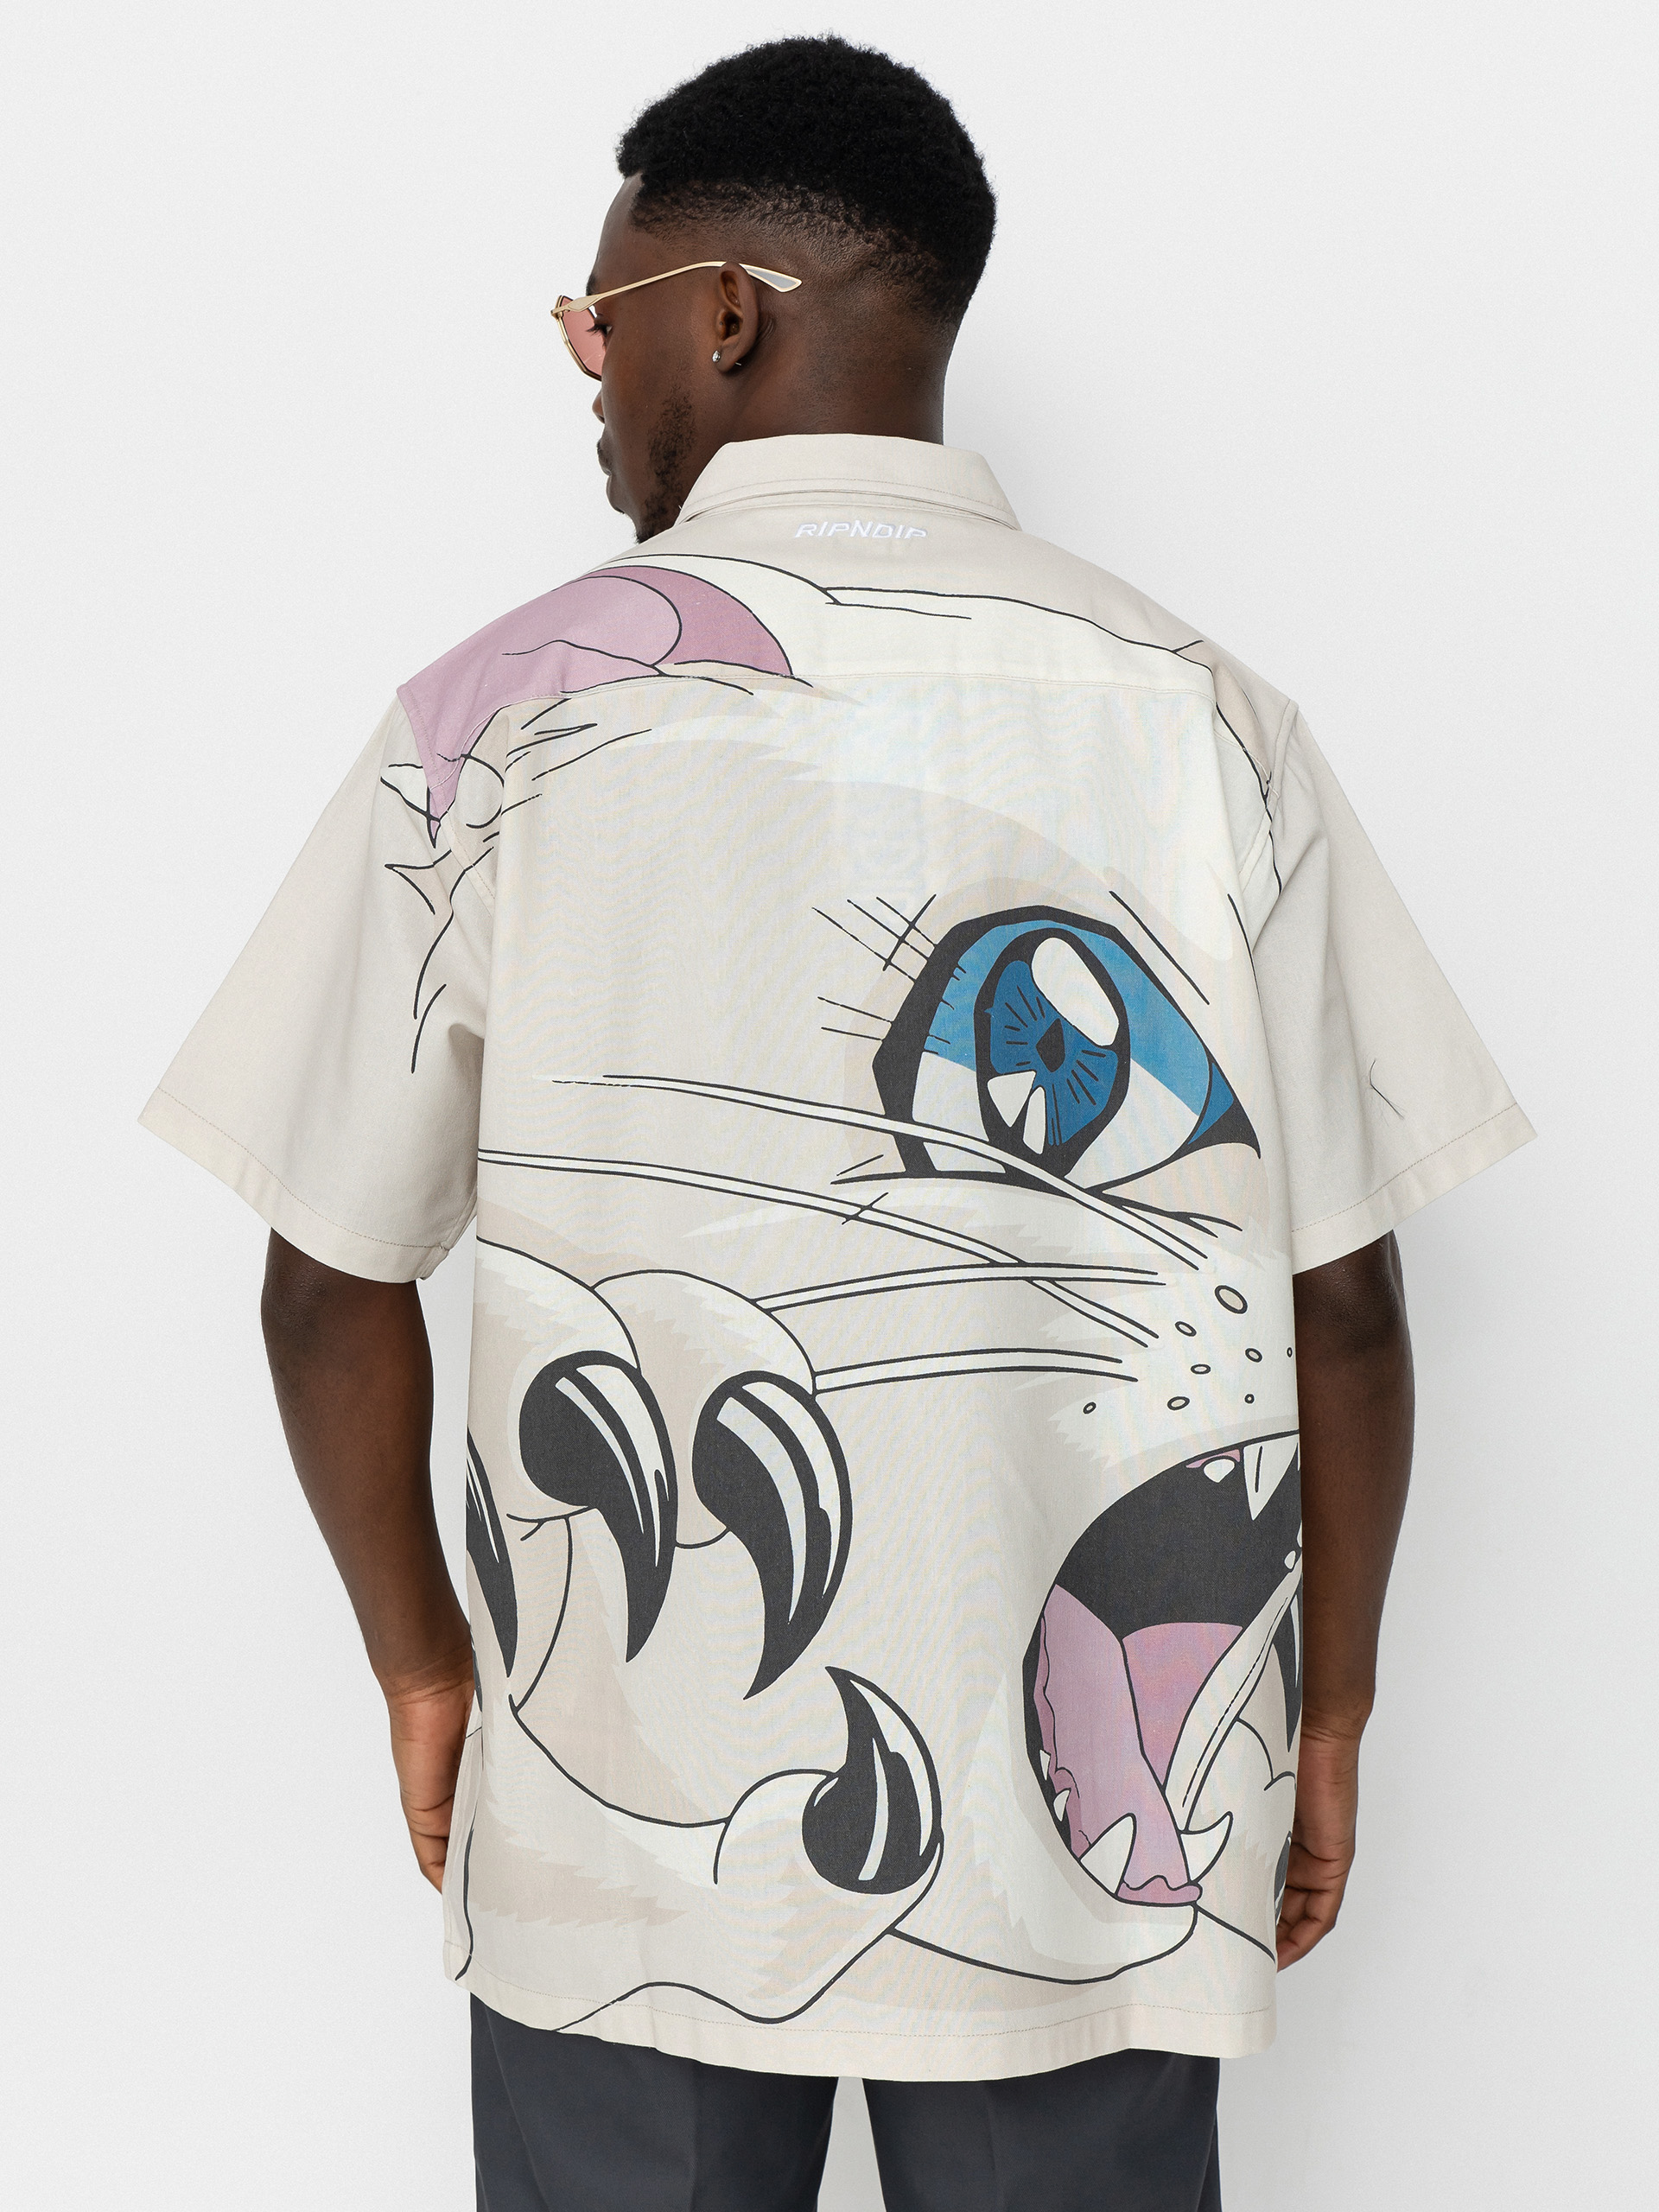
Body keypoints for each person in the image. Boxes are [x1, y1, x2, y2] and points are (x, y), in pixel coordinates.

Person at [143, 34, 1532, 2212]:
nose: (585, 370)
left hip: (629, 1839)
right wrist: (1330, 1705)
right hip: (1095, 1858)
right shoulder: (1206, 718)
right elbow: (1342, 1298)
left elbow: (326, 1285)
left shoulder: (491, 727)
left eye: (597, 316)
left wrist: (426, 1664)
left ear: (725, 311)